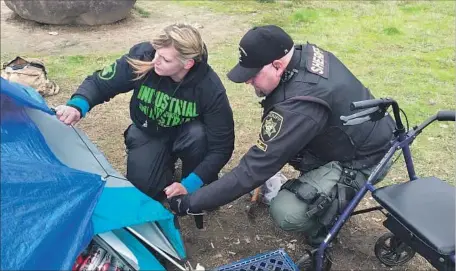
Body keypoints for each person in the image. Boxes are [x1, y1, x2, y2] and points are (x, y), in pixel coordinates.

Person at [169, 25, 395, 246]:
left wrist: (189, 202)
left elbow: (252, 171)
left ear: (277, 65)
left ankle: (324, 228)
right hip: (355, 135)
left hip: (366, 159)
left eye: (253, 75)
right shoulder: (302, 57)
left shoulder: (301, 104)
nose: (248, 81)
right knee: (277, 152)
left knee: (286, 211)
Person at [55, 23, 235, 201]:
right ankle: (162, 166)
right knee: (144, 192)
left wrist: (190, 184)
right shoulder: (144, 57)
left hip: (189, 136)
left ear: (187, 63)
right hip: (150, 131)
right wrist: (77, 106)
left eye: (166, 59)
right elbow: (100, 83)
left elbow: (222, 147)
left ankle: (196, 180)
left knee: (198, 137)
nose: (156, 60)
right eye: (157, 52)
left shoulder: (208, 87)